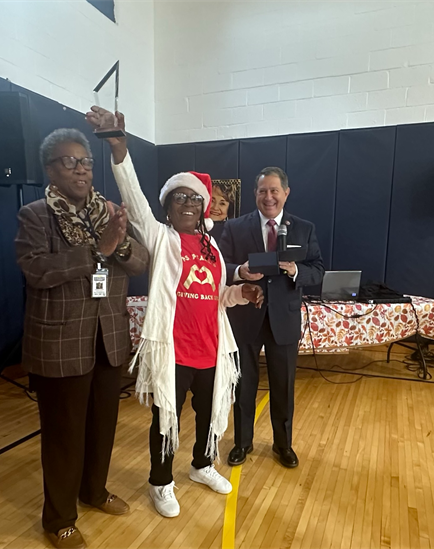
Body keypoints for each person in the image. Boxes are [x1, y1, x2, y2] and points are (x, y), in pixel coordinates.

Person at [85, 107, 264, 519]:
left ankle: (202, 465)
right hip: (173, 348)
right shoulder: (160, 237)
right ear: (167, 208)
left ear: (203, 210)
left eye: (194, 200)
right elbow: (133, 196)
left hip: (211, 347)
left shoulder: (213, 248)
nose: (187, 203)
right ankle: (160, 481)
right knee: (166, 419)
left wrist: (242, 291)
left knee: (210, 414)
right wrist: (119, 148)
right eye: (178, 198)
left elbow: (219, 296)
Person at [15, 128, 149, 549]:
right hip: (59, 344)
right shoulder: (35, 215)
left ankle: (93, 490)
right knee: (64, 434)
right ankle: (58, 518)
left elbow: (140, 261)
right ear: (50, 169)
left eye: (86, 162)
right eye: (69, 162)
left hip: (107, 339)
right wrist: (97, 251)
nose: (81, 169)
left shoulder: (109, 211)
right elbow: (37, 272)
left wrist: (119, 246)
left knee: (102, 426)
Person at [218, 167, 324, 469]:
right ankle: (242, 442)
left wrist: (295, 271)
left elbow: (317, 269)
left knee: (283, 387)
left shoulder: (303, 229)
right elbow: (220, 265)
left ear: (286, 193)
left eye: (274, 190)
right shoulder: (235, 227)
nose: (269, 197)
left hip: (284, 321)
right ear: (255, 194)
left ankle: (283, 445)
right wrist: (239, 272)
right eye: (263, 191)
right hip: (245, 318)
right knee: (243, 386)